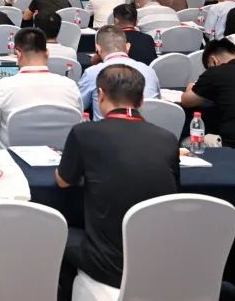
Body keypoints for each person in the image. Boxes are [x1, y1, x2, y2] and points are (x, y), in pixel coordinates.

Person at [56, 65, 180, 296]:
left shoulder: (85, 133)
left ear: (101, 95)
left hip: (108, 266)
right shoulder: (168, 139)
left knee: (56, 232)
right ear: (141, 101)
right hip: (156, 261)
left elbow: (63, 181)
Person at [0, 28, 82, 148]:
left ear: (18, 54)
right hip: (60, 156)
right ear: (47, 53)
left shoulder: (2, 86)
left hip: (10, 156)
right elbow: (78, 122)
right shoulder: (71, 86)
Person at [78, 25, 160, 120]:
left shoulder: (92, 73)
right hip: (146, 127)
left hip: (105, 129)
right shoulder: (149, 70)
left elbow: (79, 106)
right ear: (128, 47)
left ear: (98, 49)